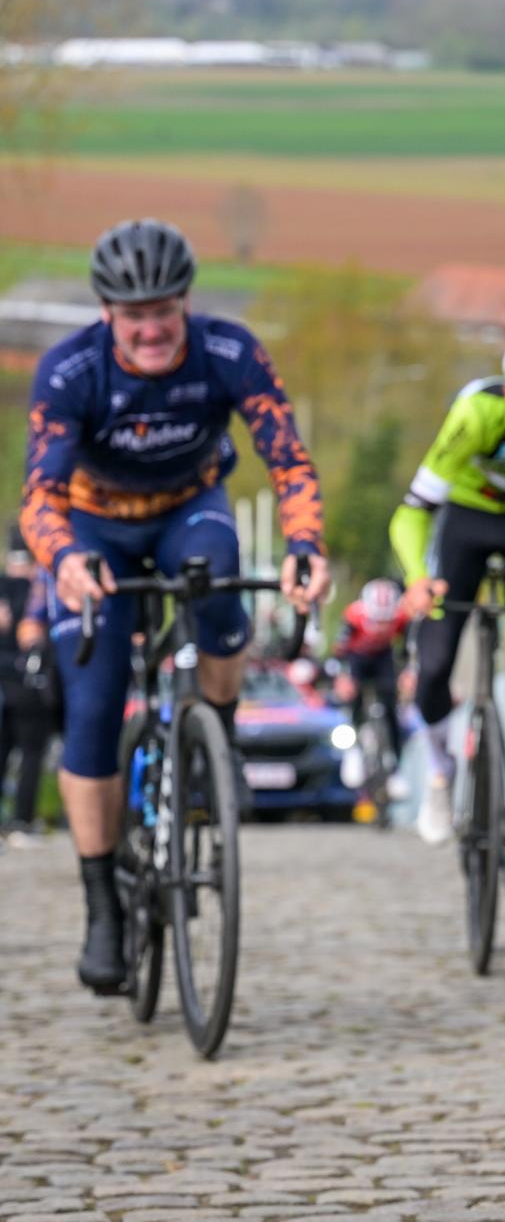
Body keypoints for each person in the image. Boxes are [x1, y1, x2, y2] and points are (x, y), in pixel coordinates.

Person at [22, 217, 329, 993]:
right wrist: (64, 559)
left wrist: (305, 545)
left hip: (190, 509)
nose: (152, 328)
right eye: (134, 315)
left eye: (164, 310)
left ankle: (213, 737)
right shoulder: (70, 370)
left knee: (219, 582)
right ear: (107, 313)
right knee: (92, 707)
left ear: (185, 302)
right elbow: (39, 497)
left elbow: (288, 460)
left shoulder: (228, 350)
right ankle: (102, 902)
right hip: (95, 528)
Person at [389, 324, 505, 890]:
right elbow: (411, 512)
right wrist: (417, 578)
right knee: (435, 661)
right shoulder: (475, 415)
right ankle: (440, 773)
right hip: (466, 522)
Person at [333, 575, 410, 811]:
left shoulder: (401, 616)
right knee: (353, 700)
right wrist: (342, 677)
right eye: (377, 620)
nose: (382, 626)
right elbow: (339, 650)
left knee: (391, 707)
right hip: (357, 658)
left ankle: (395, 768)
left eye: (387, 621)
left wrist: (408, 672)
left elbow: (407, 649)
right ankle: (354, 751)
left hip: (383, 658)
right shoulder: (353, 616)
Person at [1, 528, 57, 833]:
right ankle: (22, 819)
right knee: (32, 753)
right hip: (29, 682)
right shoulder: (38, 588)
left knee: (5, 750)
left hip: (7, 679)